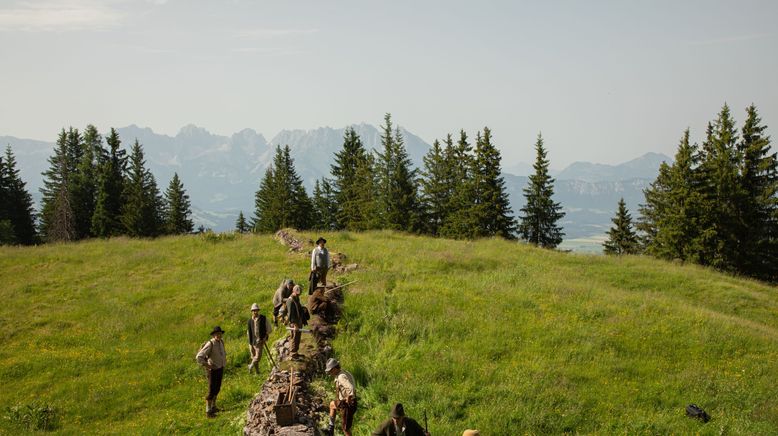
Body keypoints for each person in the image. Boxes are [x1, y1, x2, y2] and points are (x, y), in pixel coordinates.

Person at [195, 326, 227, 418]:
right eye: (216, 334)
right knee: (211, 390)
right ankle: (208, 411)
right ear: (213, 335)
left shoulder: (221, 342)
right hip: (212, 370)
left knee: (217, 388)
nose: (218, 335)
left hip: (220, 368)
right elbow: (199, 357)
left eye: (220, 333)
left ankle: (213, 407)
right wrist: (207, 365)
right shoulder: (210, 344)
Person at [322, 358, 357, 436]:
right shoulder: (343, 372)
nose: (330, 373)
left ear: (334, 368)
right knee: (332, 404)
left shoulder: (341, 376)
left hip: (348, 404)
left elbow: (350, 388)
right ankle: (331, 430)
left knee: (346, 429)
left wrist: (348, 398)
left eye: (330, 371)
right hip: (343, 401)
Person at [247, 303, 273, 374]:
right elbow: (248, 332)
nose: (255, 312)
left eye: (256, 310)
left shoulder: (263, 319)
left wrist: (265, 337)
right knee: (254, 357)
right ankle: (257, 371)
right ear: (251, 311)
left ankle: (250, 366)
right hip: (251, 342)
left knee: (257, 357)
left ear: (258, 311)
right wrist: (249, 342)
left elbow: (269, 329)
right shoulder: (249, 321)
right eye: (253, 310)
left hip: (260, 341)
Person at [285, 285, 305, 359]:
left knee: (297, 337)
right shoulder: (290, 301)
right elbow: (291, 314)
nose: (298, 294)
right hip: (294, 323)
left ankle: (296, 352)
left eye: (299, 293)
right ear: (293, 291)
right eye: (297, 293)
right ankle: (292, 354)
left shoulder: (296, 298)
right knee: (294, 337)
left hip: (298, 320)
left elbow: (298, 307)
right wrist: (295, 324)